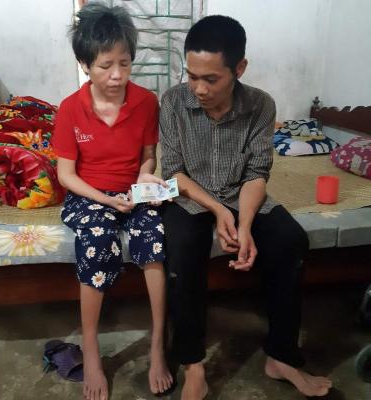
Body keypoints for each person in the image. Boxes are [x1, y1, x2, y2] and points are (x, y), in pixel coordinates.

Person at [160, 15, 333, 399]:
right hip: (191, 197)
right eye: (192, 76)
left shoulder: (260, 105)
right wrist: (220, 211)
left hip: (243, 193)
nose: (198, 88)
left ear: (239, 69)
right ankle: (192, 363)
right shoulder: (173, 102)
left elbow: (256, 174)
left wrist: (245, 225)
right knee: (182, 249)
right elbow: (173, 174)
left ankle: (282, 357)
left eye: (211, 79)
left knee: (290, 240)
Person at [53, 2, 173, 399]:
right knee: (98, 236)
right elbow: (66, 175)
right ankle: (91, 352)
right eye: (106, 65)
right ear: (86, 64)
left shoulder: (146, 103)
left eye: (125, 63)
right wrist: (104, 199)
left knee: (153, 237)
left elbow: (149, 156)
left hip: (131, 191)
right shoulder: (70, 109)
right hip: (87, 194)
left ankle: (158, 345)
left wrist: (143, 179)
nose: (117, 75)